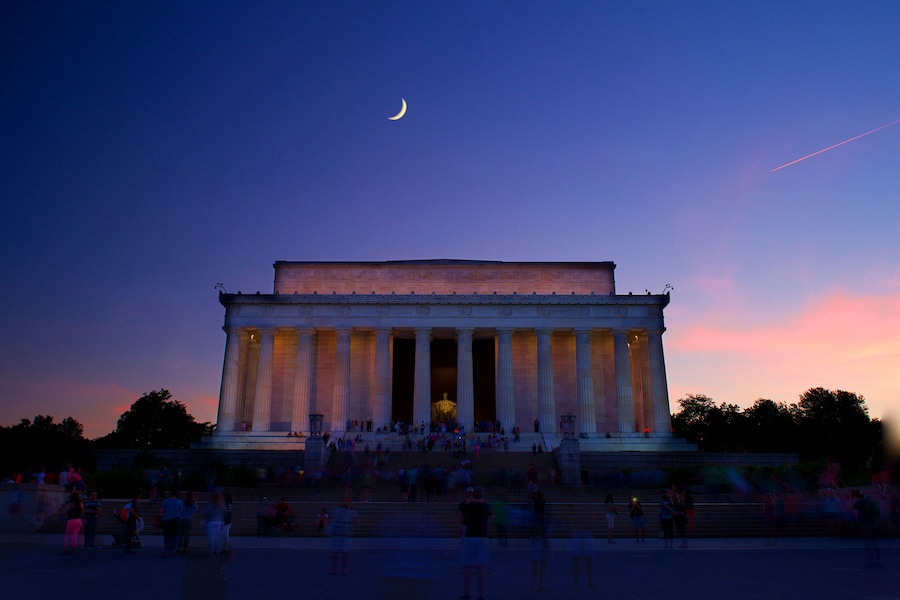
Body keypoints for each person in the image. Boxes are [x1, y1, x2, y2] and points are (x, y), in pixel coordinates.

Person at [458, 486, 493, 600]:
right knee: (481, 569)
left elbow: (462, 511)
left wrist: (469, 501)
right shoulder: (486, 506)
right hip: (482, 537)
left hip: (469, 537)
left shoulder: (467, 506)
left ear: (473, 495)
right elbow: (491, 516)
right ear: (482, 495)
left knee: (467, 568)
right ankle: (480, 595)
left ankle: (467, 594)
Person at [851, 489, 882, 568]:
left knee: (867, 543)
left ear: (855, 495)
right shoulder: (869, 499)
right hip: (873, 523)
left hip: (864, 524)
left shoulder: (858, 502)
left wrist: (851, 499)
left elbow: (851, 508)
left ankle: (870, 561)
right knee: (874, 543)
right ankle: (878, 561)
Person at [329, 498, 359, 575]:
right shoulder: (352, 511)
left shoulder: (336, 510)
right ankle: (343, 569)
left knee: (335, 552)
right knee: (345, 552)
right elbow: (355, 520)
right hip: (346, 533)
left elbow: (332, 519)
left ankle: (334, 569)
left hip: (337, 532)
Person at [159, 489, 183, 557]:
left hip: (166, 519)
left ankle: (166, 551)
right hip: (176, 519)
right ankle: (172, 550)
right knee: (174, 536)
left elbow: (161, 510)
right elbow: (181, 511)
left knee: (167, 536)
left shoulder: (166, 501)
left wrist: (161, 516)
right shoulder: (179, 502)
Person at [203, 491, 226, 556]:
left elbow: (206, 513)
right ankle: (217, 551)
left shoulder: (210, 505)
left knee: (211, 537)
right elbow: (224, 513)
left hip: (211, 522)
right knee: (217, 537)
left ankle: (211, 551)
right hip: (220, 522)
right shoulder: (222, 505)